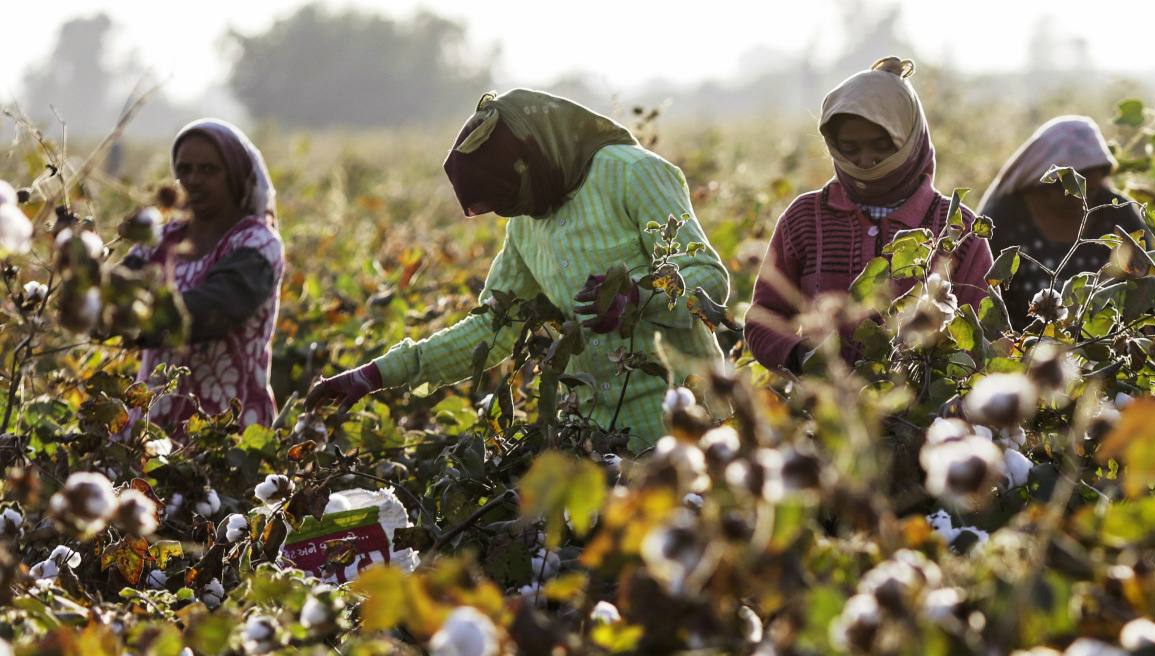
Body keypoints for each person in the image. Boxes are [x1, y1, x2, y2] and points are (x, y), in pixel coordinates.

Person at [307, 90, 727, 439]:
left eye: (511, 196)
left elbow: (708, 277)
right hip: (592, 435)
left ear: (531, 159)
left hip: (684, 425)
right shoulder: (527, 223)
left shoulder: (634, 174)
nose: (513, 212)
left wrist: (636, 298)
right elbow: (492, 328)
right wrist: (377, 373)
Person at [746, 58, 993, 376]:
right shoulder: (804, 219)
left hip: (932, 419)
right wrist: (800, 356)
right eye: (850, 147)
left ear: (910, 139)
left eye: (881, 146)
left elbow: (985, 334)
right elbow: (764, 317)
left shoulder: (958, 229)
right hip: (825, 416)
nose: (865, 160)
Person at [126, 120, 286, 432]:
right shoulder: (158, 239)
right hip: (150, 425)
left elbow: (215, 308)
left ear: (235, 176)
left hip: (227, 428)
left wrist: (130, 316)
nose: (193, 180)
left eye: (209, 170)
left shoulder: (258, 244)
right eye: (184, 169)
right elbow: (118, 287)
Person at [978, 115, 1145, 330]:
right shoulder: (1003, 220)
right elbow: (979, 298)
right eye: (1069, 191)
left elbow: (1145, 288)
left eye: (1090, 192)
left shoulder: (1116, 214)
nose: (1080, 201)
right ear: (1042, 182)